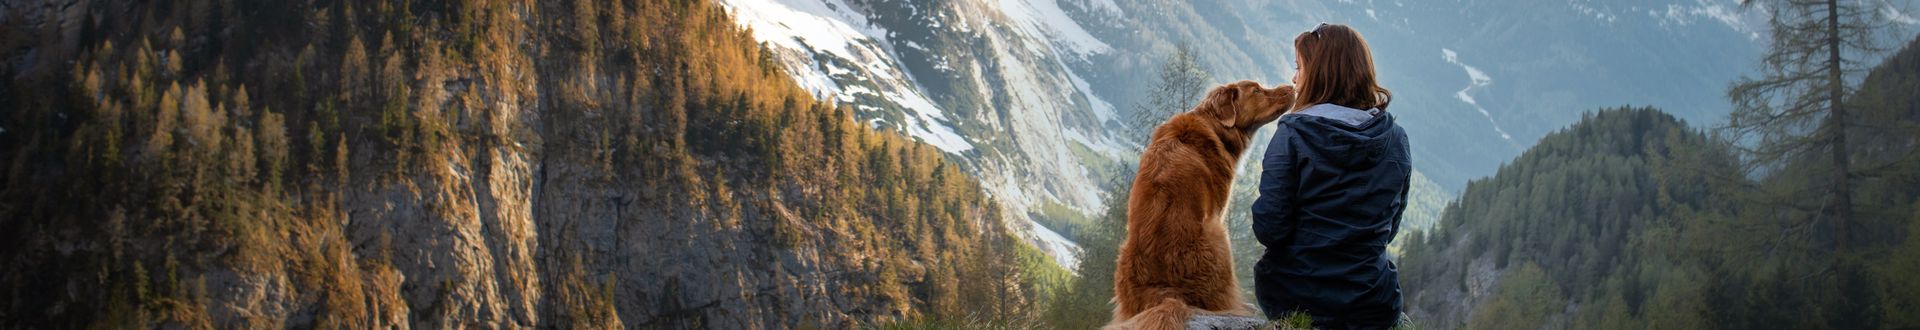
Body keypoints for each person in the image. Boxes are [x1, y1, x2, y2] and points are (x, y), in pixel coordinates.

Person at [1251, 22, 1409, 330]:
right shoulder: (1395, 139)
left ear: (1322, 73)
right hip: (1372, 304)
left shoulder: (1293, 135)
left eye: (1299, 68)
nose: (1294, 78)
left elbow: (1269, 228)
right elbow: (1389, 229)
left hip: (1295, 299)